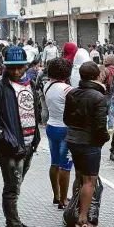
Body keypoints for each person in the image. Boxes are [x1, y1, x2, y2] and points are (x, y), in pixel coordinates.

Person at [0, 46, 45, 227]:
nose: (16, 72)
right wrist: (3, 135)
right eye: (12, 68)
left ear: (26, 66)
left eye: (20, 67)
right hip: (10, 149)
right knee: (12, 190)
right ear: (6, 66)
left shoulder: (30, 84)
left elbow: (33, 111)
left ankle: (12, 224)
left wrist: (34, 140)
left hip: (27, 146)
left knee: (15, 187)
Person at [64, 61, 110, 227]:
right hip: (89, 142)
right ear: (97, 77)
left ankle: (76, 210)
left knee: (79, 176)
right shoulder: (98, 97)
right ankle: (83, 219)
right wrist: (104, 138)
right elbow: (100, 126)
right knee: (89, 181)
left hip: (73, 139)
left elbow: (66, 119)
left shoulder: (72, 93)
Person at [41, 58, 73, 209]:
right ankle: (64, 200)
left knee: (54, 163)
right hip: (66, 129)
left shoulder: (47, 86)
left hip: (51, 126)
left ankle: (56, 196)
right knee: (65, 166)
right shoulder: (67, 90)